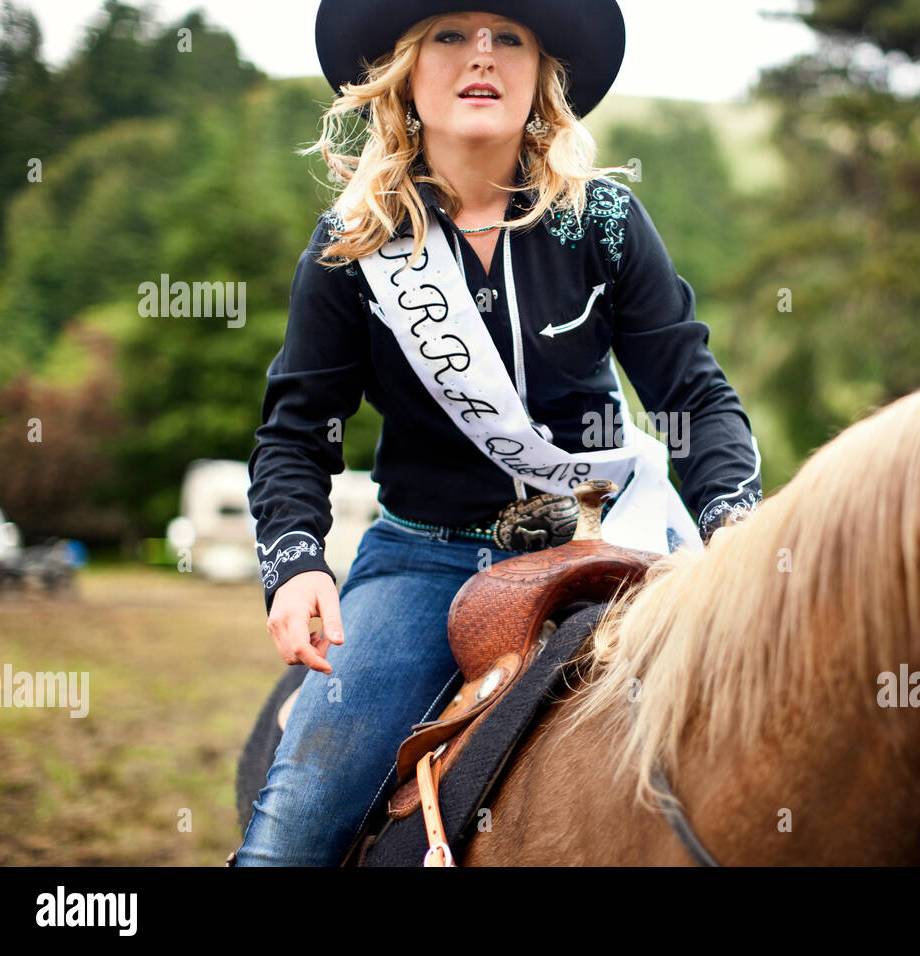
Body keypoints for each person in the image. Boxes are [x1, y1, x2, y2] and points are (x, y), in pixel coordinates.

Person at [235, 0, 763, 866]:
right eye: (450, 34)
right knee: (291, 836)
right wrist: (294, 565)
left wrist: (734, 524)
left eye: (507, 38)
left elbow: (696, 398)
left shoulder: (604, 224)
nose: (481, 54)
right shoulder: (352, 245)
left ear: (539, 79)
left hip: (604, 545)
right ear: (404, 73)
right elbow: (296, 434)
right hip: (420, 565)